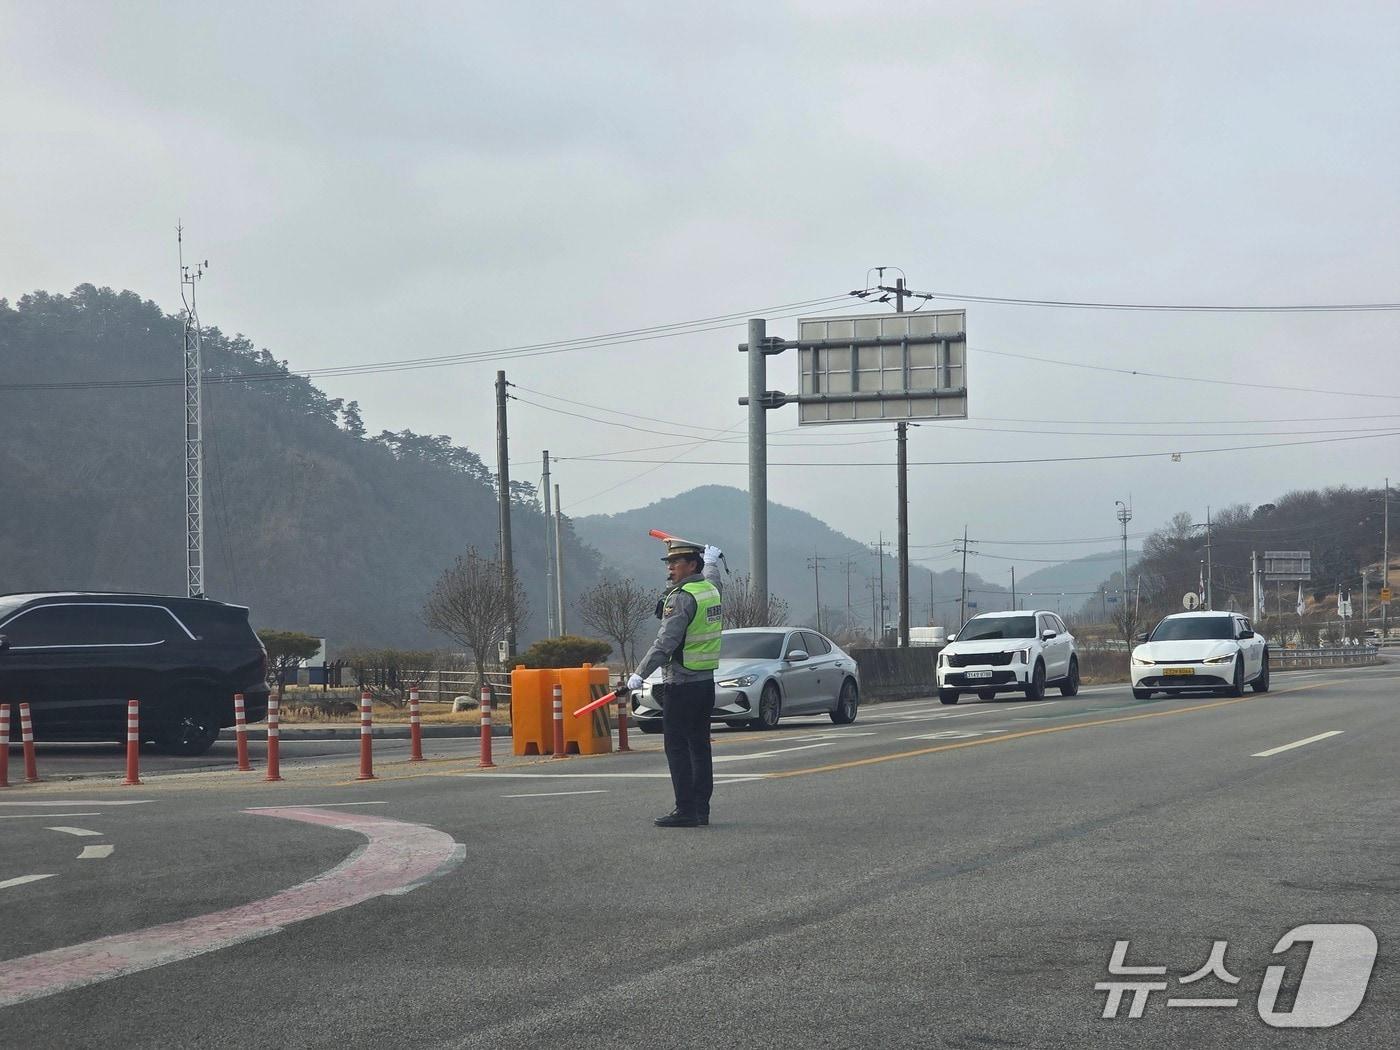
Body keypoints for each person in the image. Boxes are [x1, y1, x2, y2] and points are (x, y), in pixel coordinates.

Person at [627, 537, 723, 828]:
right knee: (699, 746)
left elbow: (665, 642)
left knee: (677, 748)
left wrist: (640, 673)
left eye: (675, 563)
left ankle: (685, 810)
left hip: (680, 684)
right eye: (668, 563)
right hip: (705, 683)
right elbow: (713, 581)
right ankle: (701, 809)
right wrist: (713, 564)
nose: (670, 569)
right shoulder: (710, 590)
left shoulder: (682, 597)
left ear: (691, 564)